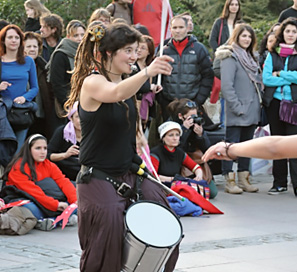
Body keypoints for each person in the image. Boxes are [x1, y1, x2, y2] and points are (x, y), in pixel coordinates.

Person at [65, 22, 176, 271]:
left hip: (130, 171)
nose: (135, 56)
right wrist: (146, 73)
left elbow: (128, 115)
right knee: (105, 252)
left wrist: (139, 137)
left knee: (164, 229)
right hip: (99, 178)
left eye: (136, 50)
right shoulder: (92, 83)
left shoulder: (128, 84)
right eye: (128, 50)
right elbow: (114, 93)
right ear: (107, 53)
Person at [0, 24, 39, 197]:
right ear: (3, 41)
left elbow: (35, 88)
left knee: (16, 158)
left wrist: (25, 97)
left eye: (16, 37)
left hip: (20, 114)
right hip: (1, 115)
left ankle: (11, 196)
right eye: (10, 37)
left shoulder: (28, 61)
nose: (13, 40)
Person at [262, 17, 297, 199]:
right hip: (275, 104)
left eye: (293, 31)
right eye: (287, 31)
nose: (290, 35)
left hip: (295, 104)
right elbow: (267, 78)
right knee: (278, 144)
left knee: (295, 146)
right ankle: (279, 183)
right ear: (282, 33)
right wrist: (292, 76)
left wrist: (281, 74)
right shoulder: (272, 53)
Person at [215, 23, 262, 194]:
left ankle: (244, 179)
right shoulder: (230, 57)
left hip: (252, 109)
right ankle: (229, 180)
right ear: (236, 36)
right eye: (243, 36)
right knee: (231, 146)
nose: (247, 39)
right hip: (237, 110)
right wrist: (237, 107)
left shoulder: (252, 58)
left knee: (247, 146)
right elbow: (227, 86)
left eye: (249, 36)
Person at [2, 134, 77, 231]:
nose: (42, 152)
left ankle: (50, 220)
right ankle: (58, 219)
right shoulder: (19, 167)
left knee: (77, 203)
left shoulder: (49, 165)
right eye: (38, 148)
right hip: (23, 197)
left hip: (46, 198)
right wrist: (55, 205)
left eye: (45, 148)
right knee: (31, 208)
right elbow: (32, 191)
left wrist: (74, 200)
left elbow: (63, 181)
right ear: (29, 150)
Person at [159, 15, 213, 121]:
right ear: (170, 29)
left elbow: (208, 76)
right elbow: (157, 77)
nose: (177, 31)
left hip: (191, 105)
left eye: (181, 27)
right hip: (169, 105)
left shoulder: (199, 49)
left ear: (187, 28)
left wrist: (198, 100)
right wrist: (162, 100)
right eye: (174, 28)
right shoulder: (163, 51)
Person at [209, 0, 242, 128]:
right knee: (224, 89)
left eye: (236, 5)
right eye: (232, 4)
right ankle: (223, 123)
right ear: (227, 6)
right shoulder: (220, 22)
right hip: (222, 59)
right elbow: (212, 39)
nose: (234, 7)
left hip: (237, 59)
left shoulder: (241, 23)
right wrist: (220, 52)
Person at [48, 20, 85, 122]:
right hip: (66, 105)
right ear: (68, 37)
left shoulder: (87, 54)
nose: (80, 38)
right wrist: (69, 104)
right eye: (76, 35)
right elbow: (57, 83)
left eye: (82, 35)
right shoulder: (61, 54)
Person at [24, 31, 57, 139]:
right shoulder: (17, 67)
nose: (32, 49)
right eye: (28, 46)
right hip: (22, 116)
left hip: (42, 115)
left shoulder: (45, 68)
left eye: (35, 46)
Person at [48, 101, 81, 181]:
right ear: (71, 119)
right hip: (65, 172)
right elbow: (48, 155)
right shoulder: (62, 131)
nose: (81, 120)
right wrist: (65, 155)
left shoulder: (93, 133)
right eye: (77, 117)